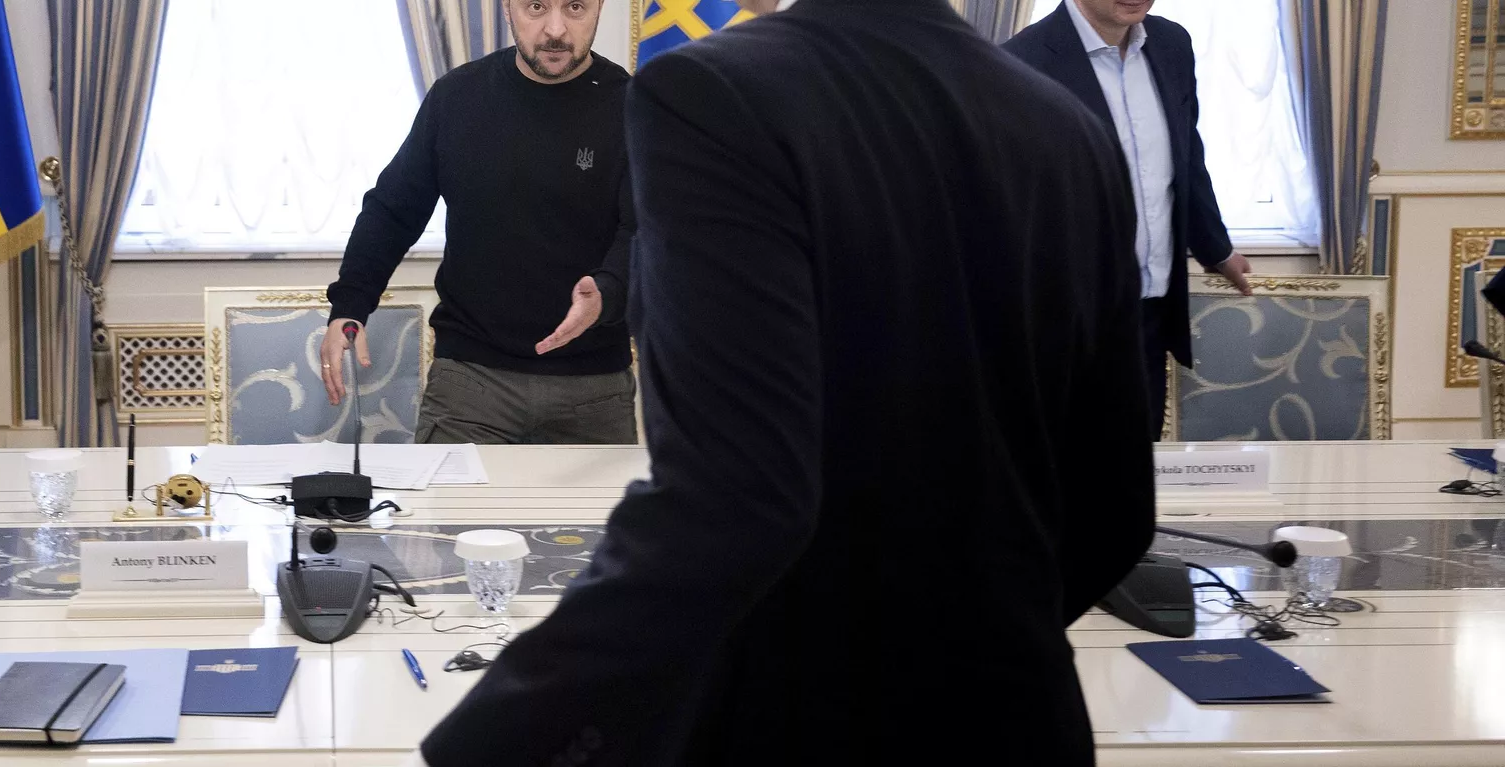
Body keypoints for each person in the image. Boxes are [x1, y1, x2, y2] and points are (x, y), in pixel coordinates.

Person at [404, 0, 1155, 765]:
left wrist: (495, 736)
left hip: (797, 715)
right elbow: (1118, 507)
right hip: (1020, 718)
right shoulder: (1069, 124)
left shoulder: (709, 94)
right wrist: (980, 631)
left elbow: (737, 498)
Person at [320, 0, 636, 445]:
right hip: (470, 384)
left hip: (593, 386)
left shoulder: (632, 105)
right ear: (508, 8)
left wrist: (607, 292)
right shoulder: (458, 97)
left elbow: (645, 231)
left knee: (595, 519)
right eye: (536, 7)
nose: (556, 29)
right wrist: (350, 306)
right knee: (453, 518)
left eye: (576, 7)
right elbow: (393, 210)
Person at [1005, 0, 1252, 440]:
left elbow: (1185, 156)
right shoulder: (1021, 61)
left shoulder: (1172, 45)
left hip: (1150, 312)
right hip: (1067, 322)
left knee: (1135, 475)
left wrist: (1216, 247)